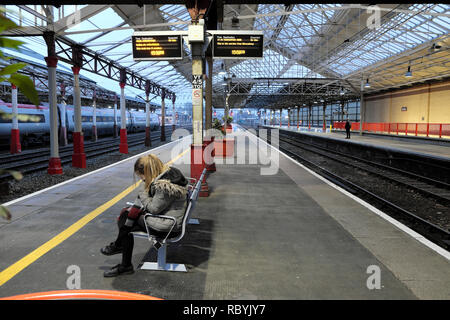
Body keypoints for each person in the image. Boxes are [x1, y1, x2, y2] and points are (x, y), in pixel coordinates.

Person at [101, 154, 189, 277]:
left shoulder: (164, 186)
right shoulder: (168, 175)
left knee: (125, 220)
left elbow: (153, 209)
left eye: (141, 176)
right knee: (126, 219)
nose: (142, 179)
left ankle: (121, 254)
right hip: (167, 220)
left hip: (168, 227)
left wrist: (142, 192)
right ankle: (120, 252)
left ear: (147, 172)